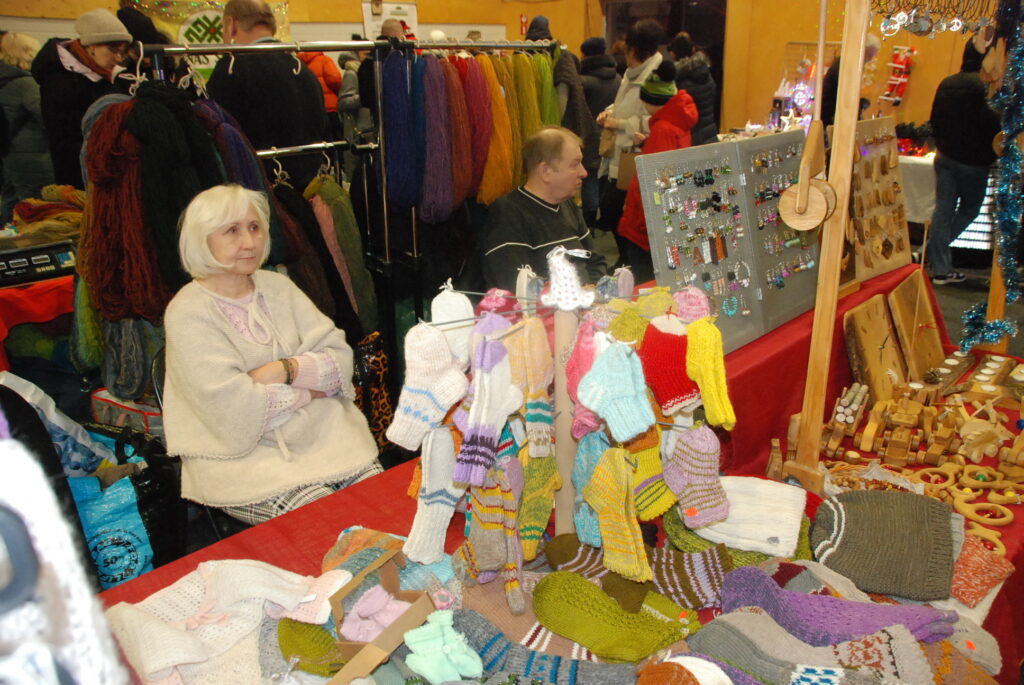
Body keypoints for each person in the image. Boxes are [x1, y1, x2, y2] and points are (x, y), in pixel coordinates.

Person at [163, 184, 380, 525]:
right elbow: (232, 410)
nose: (249, 242)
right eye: (232, 231)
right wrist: (311, 388)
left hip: (326, 438)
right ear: (202, 239)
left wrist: (282, 371)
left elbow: (339, 360)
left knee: (385, 504)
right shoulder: (187, 312)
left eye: (254, 227)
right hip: (246, 463)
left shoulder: (278, 286)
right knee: (328, 523)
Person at [207, 0, 327, 189]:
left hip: (257, 188)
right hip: (309, 188)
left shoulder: (231, 69)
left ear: (231, 24)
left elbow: (222, 140)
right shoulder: (302, 69)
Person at [479, 126, 607, 291]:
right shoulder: (507, 215)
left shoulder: (568, 205)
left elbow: (596, 260)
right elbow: (519, 288)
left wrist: (594, 292)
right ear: (546, 171)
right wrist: (581, 297)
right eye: (575, 164)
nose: (584, 172)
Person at [926, 35, 1002, 285]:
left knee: (943, 211)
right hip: (972, 161)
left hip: (945, 156)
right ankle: (933, 255)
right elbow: (992, 126)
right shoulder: (985, 88)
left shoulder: (947, 82)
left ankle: (938, 265)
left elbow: (934, 118)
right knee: (969, 209)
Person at [31, 8, 131, 188]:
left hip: (105, 170)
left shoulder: (105, 76)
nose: (118, 58)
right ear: (91, 46)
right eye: (113, 50)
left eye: (122, 53)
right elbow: (63, 139)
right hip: (79, 176)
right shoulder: (61, 83)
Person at [617, 61, 697, 282]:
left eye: (645, 101)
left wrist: (638, 219)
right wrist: (647, 143)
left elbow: (651, 181)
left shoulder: (662, 129)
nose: (644, 106)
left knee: (640, 279)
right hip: (664, 216)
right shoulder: (678, 122)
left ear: (653, 101)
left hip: (647, 224)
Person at [596, 19, 664, 264]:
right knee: (614, 211)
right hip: (620, 151)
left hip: (635, 154)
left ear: (634, 49)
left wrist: (619, 124)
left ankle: (628, 262)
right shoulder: (631, 73)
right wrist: (609, 112)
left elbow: (655, 120)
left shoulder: (656, 77)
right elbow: (624, 104)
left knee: (620, 213)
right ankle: (626, 261)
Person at [0, 33, 53, 222]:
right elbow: (47, 117)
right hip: (33, 155)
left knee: (11, 202)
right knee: (33, 209)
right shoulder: (25, 84)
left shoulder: (4, 81)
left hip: (9, 154)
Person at [580, 36, 621, 228]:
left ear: (585, 55)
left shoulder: (583, 81)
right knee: (604, 176)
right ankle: (604, 219)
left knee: (589, 177)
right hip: (611, 133)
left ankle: (588, 222)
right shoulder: (618, 78)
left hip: (589, 134)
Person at [820, 33, 881, 127]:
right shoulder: (844, 67)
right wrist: (861, 103)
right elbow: (845, 99)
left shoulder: (846, 64)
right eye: (869, 55)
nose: (870, 59)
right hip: (830, 119)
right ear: (861, 50)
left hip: (832, 118)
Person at [668, 31, 717, 146]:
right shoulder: (706, 73)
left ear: (673, 54)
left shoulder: (679, 82)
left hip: (693, 138)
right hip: (711, 132)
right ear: (693, 50)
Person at [297, 49, 343, 141]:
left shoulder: (299, 65)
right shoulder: (324, 60)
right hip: (330, 108)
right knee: (336, 140)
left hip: (313, 109)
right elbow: (335, 79)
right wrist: (339, 93)